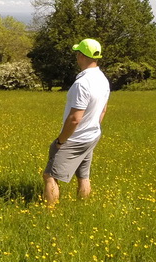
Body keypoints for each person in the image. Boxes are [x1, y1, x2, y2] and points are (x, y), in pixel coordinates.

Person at [42, 38, 110, 206]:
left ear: (81, 56)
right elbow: (103, 110)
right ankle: (83, 208)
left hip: (75, 138)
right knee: (83, 175)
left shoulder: (82, 83)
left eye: (77, 53)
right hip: (92, 135)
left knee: (50, 176)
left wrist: (60, 141)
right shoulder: (102, 79)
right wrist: (92, 127)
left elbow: (75, 118)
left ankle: (49, 215)